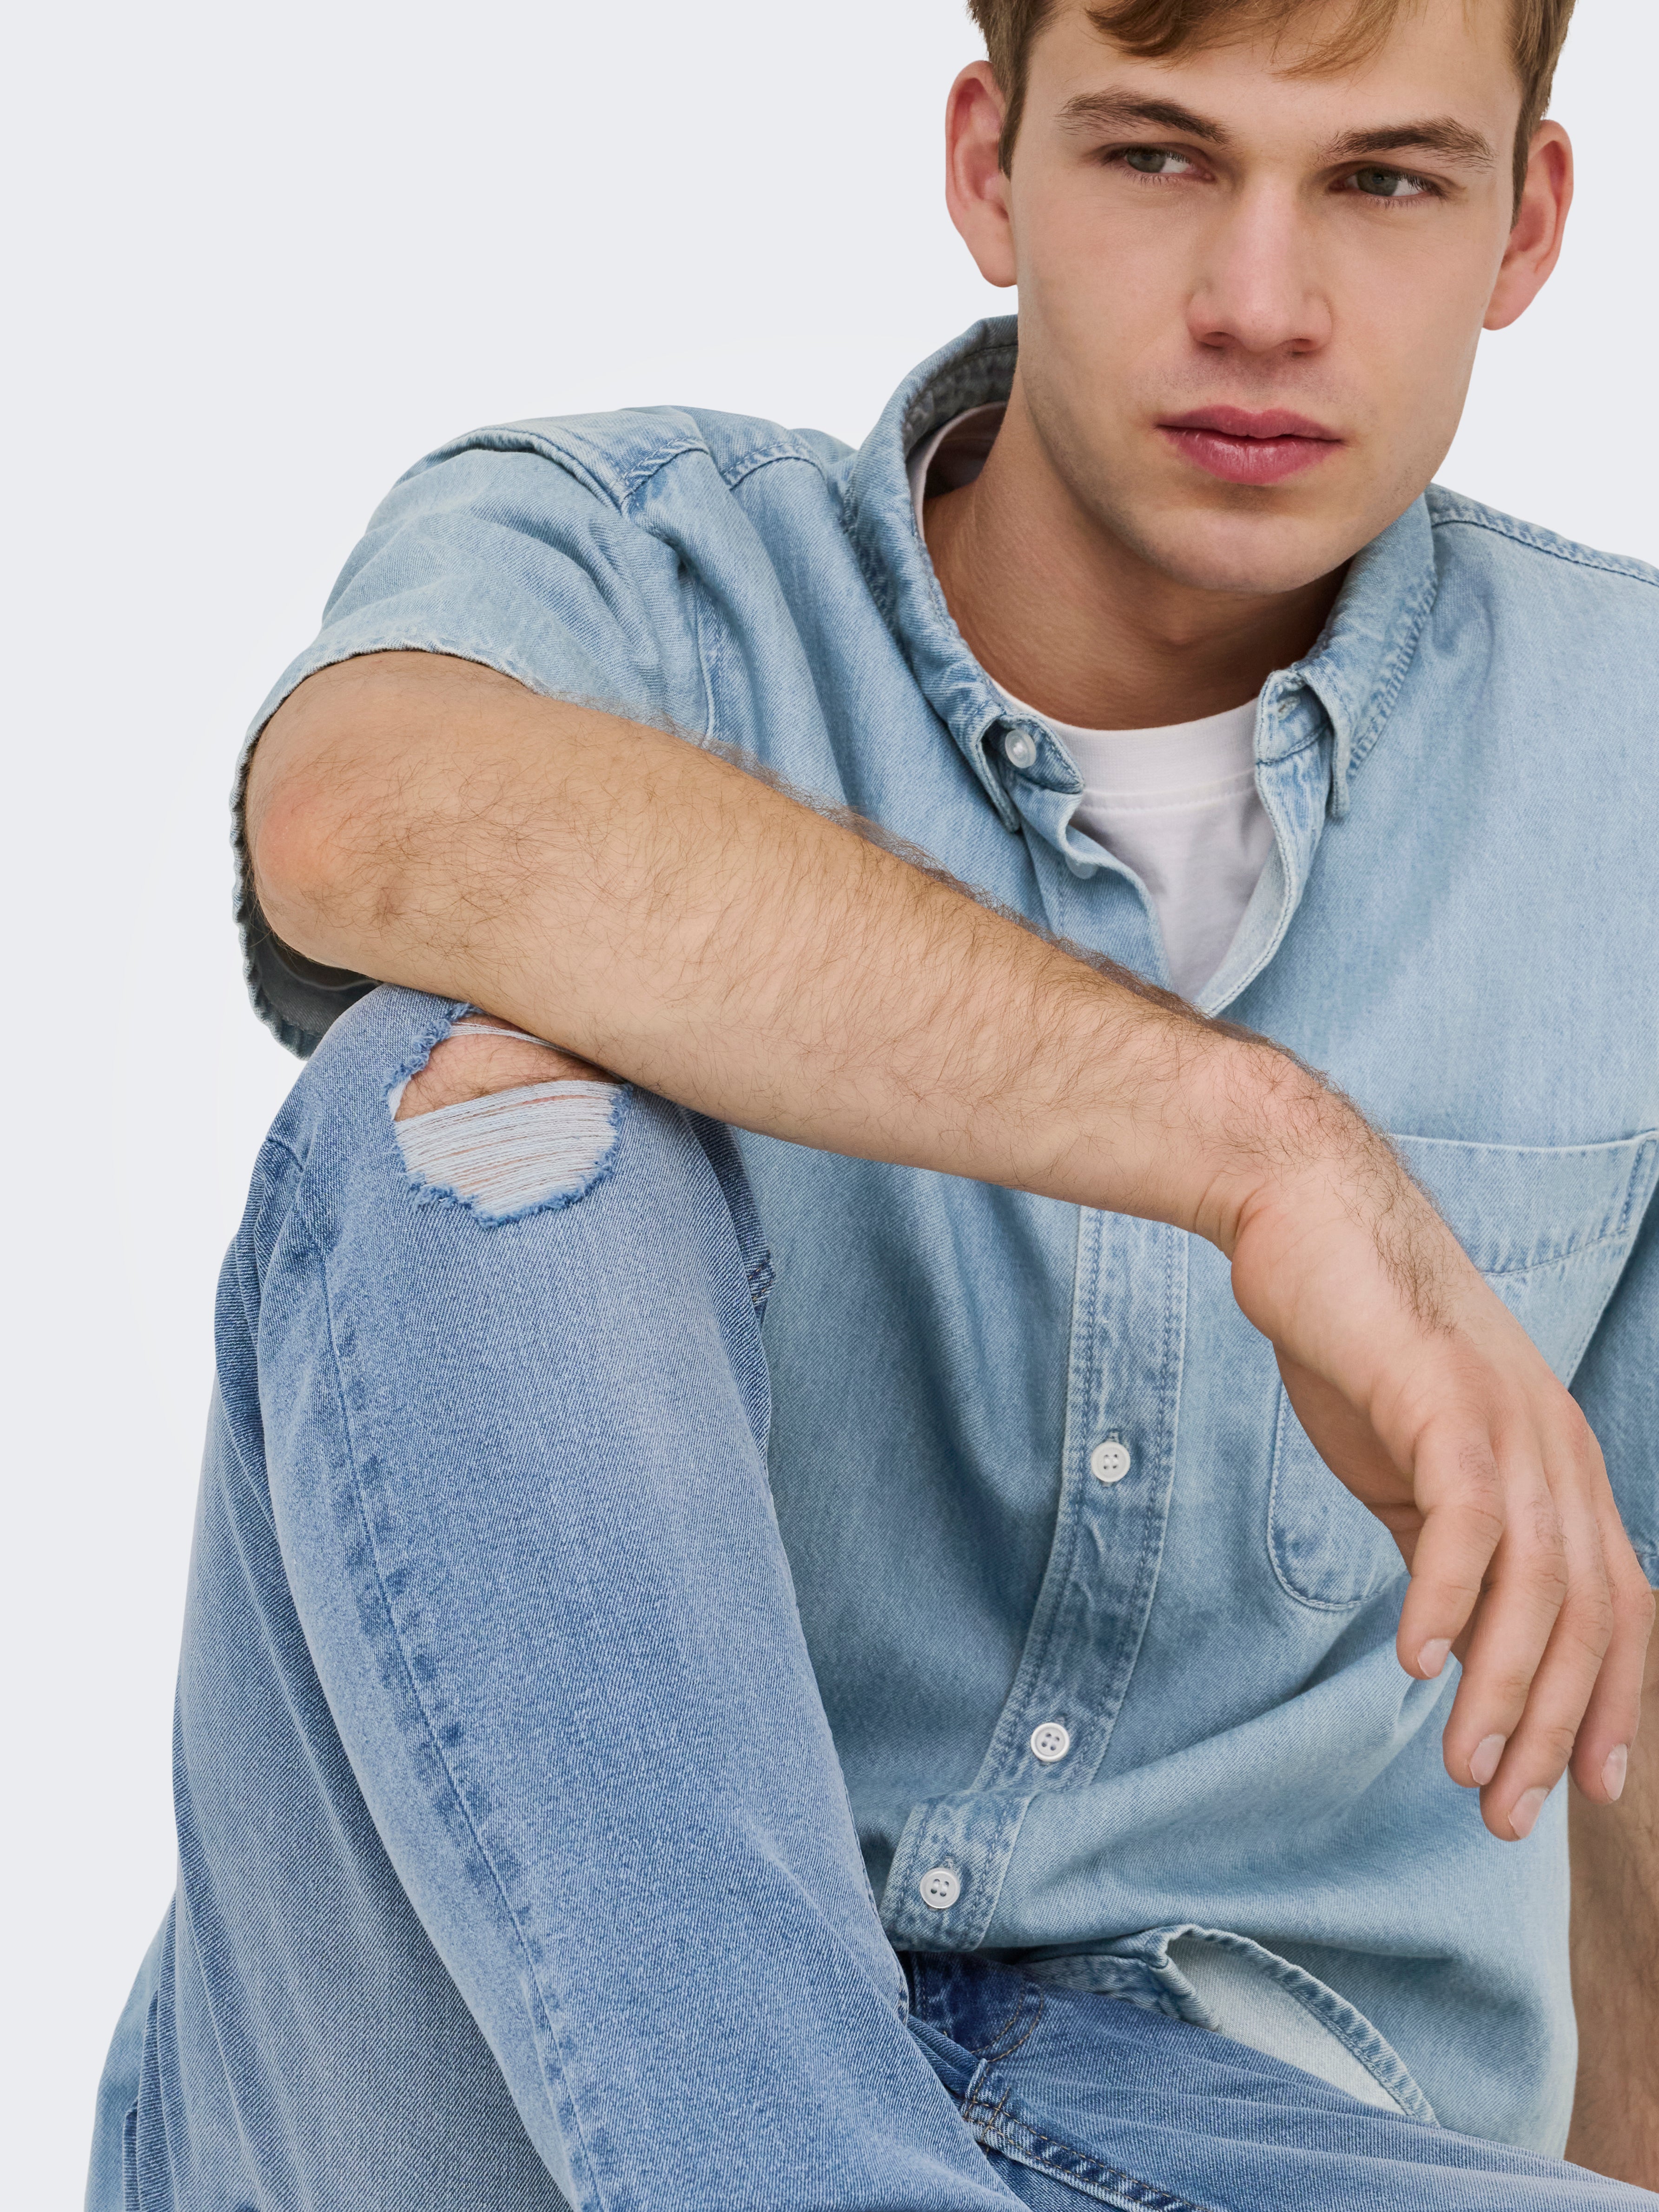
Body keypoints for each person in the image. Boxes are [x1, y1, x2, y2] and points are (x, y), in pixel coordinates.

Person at [90, 0, 1659, 2206]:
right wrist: (1262, 1154)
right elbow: (360, 815)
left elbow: (1623, 1717)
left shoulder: (1622, 774)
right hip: (461, 2083)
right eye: (1156, 157)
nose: (1259, 300)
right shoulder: (635, 575)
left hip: (1224, 2114)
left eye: (1380, 182)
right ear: (985, 166)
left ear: (1525, 223)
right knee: (470, 1117)